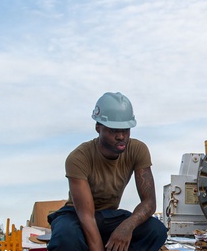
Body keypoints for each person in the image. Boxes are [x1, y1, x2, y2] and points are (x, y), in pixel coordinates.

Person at [47, 92, 168, 251]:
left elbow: (149, 202)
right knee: (66, 238)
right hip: (77, 215)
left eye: (126, 130)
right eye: (113, 130)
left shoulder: (138, 150)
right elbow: (87, 217)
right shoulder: (78, 158)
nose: (121, 136)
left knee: (155, 230)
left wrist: (127, 227)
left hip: (110, 216)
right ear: (98, 127)